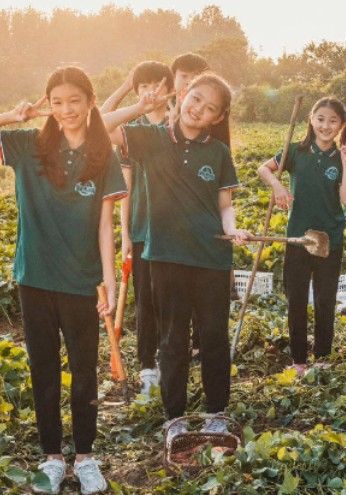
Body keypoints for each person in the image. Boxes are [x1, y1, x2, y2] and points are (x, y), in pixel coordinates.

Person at [102, 73, 251, 445]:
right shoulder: (150, 139)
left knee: (214, 336)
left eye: (210, 108)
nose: (199, 109)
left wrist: (233, 229)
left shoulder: (218, 152)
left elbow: (225, 205)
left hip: (211, 257)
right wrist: (140, 106)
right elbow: (100, 127)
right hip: (166, 256)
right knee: (171, 339)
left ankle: (217, 412)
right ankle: (176, 418)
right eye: (195, 99)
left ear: (218, 118)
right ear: (183, 95)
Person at [0, 67, 127, 494]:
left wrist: (109, 283)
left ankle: (86, 456)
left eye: (74, 100)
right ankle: (52, 456)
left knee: (84, 370)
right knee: (43, 369)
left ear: (91, 102)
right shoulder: (27, 146)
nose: (66, 109)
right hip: (35, 278)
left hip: (82, 282)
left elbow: (105, 224)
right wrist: (12, 117)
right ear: (47, 105)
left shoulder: (102, 154)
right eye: (56, 101)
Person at [257, 97, 346, 375]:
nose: (326, 125)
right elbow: (264, 168)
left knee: (325, 300)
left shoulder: (341, 157)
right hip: (298, 239)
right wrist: (277, 186)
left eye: (333, 121)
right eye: (321, 119)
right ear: (311, 119)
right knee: (296, 300)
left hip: (329, 240)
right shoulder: (296, 151)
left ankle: (322, 357)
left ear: (341, 125)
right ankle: (299, 359)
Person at [100, 61, 174, 396]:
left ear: (169, 89)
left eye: (155, 85)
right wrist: (126, 233)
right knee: (146, 301)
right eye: (142, 86)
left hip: (175, 232)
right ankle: (147, 366)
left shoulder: (179, 126)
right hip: (143, 229)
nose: (149, 92)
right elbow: (99, 122)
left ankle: (171, 360)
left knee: (172, 300)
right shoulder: (132, 128)